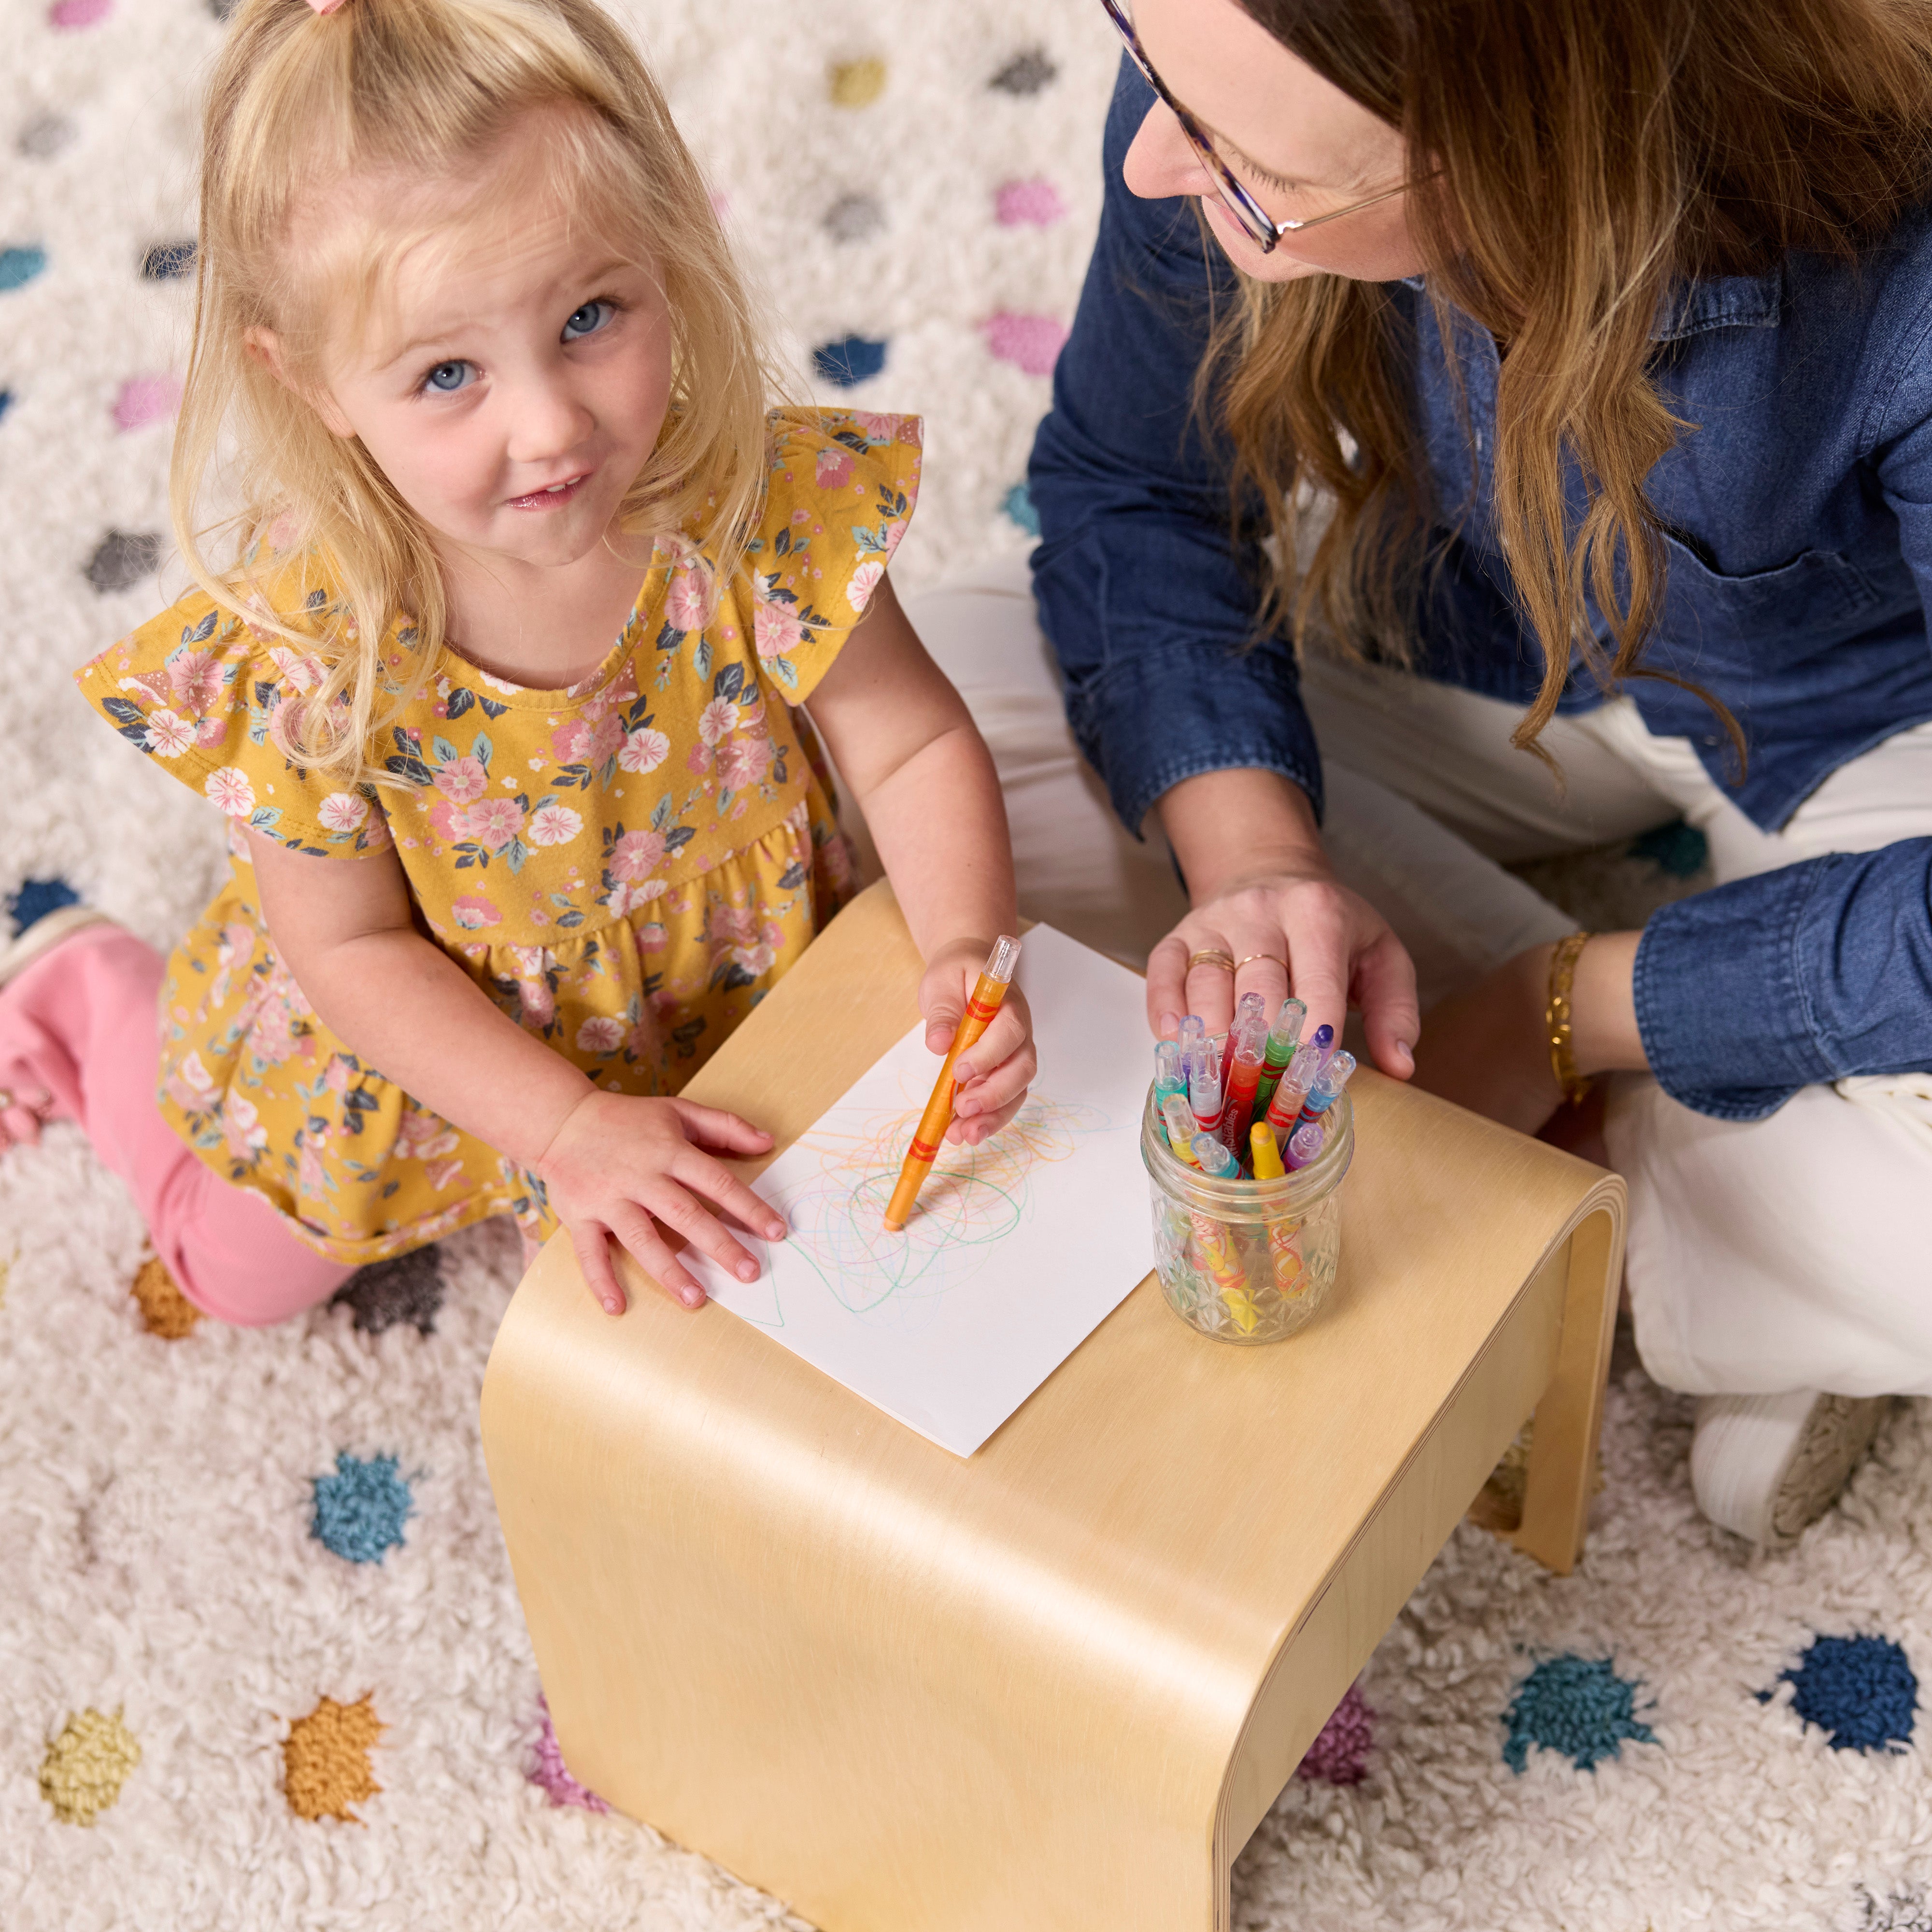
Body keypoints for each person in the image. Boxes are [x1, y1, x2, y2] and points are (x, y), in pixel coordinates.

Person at [916, 0, 1932, 1549]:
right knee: (946, 689)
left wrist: (1567, 1005)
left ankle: (1577, 1171)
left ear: (1510, 152)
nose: (1149, 164)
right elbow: (1130, 494)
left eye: (1255, 173)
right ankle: (1704, 1220)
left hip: (1853, 730)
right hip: (1457, 629)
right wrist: (1253, 859)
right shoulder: (1231, 46)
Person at [0, 0, 1034, 1326]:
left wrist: (965, 939)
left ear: (669, 249)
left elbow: (911, 741)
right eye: (446, 376)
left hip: (725, 968)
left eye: (593, 315)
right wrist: (565, 1132)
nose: (549, 425)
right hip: (433, 1037)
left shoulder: (757, 501)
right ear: (311, 382)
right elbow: (356, 947)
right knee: (238, 1282)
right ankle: (86, 990)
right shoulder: (315, 647)